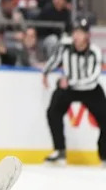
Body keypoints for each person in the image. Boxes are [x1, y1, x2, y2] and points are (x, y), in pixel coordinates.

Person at [41, 15, 106, 166]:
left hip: (89, 89)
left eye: (80, 32)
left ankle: (104, 155)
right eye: (75, 32)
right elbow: (55, 60)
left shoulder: (95, 52)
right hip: (69, 88)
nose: (76, 35)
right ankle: (60, 151)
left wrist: (69, 82)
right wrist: (45, 72)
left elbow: (92, 79)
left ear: (87, 36)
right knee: (53, 112)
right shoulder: (65, 46)